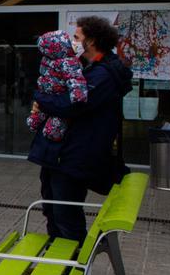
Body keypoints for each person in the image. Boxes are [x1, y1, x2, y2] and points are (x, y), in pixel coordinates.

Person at [29, 16, 132, 242]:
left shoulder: (103, 75)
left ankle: (75, 270)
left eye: (76, 37)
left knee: (66, 216)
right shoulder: (86, 67)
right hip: (58, 155)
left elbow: (70, 105)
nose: (71, 41)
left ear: (92, 41)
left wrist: (40, 96)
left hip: (73, 158)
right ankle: (57, 262)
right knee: (52, 211)